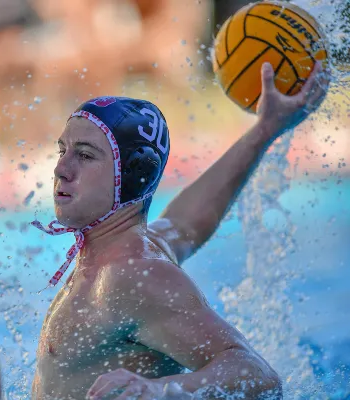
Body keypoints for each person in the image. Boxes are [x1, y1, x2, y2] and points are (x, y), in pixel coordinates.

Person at [31, 60, 328, 399]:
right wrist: (266, 128)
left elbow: (257, 375)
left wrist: (157, 390)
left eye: (84, 156)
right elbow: (187, 221)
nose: (61, 169)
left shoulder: (132, 276)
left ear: (133, 175)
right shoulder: (133, 249)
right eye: (62, 150)